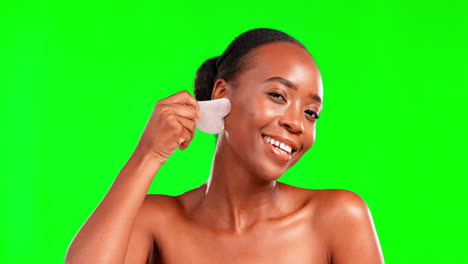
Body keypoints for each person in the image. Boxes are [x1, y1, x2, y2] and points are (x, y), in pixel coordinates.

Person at [65, 28, 384, 264]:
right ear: (221, 95)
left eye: (311, 113)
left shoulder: (337, 218)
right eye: (277, 95)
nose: (297, 123)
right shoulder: (156, 221)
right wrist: (149, 154)